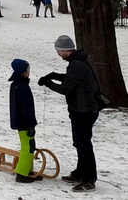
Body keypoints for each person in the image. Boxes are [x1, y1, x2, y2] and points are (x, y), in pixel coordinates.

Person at [38, 35, 99, 193]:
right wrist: (54, 75)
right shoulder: (78, 61)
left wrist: (48, 83)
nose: (58, 54)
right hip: (81, 110)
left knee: (84, 145)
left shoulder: (77, 64)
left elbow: (66, 88)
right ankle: (80, 173)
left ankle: (89, 179)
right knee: (79, 143)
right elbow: (72, 79)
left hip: (84, 111)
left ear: (66, 50)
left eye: (58, 51)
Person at [8, 59, 40, 183]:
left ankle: (27, 170)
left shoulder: (15, 84)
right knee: (28, 148)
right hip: (24, 124)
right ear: (24, 73)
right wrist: (31, 124)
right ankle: (21, 173)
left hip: (19, 122)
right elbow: (27, 108)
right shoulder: (23, 87)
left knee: (28, 146)